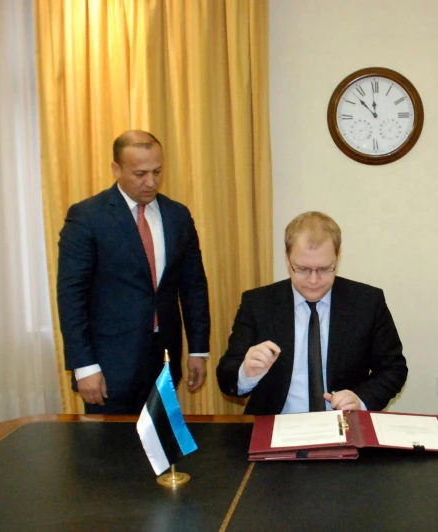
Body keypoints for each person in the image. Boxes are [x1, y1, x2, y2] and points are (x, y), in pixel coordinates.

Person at [57, 130, 210, 414]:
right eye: (140, 174)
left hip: (164, 361)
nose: (150, 182)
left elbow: (193, 287)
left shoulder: (177, 215)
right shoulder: (88, 217)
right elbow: (71, 297)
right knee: (111, 455)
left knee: (161, 450)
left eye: (157, 171)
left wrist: (198, 350)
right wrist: (84, 366)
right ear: (116, 169)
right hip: (108, 368)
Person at [217, 211, 407, 415]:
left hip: (345, 426)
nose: (314, 280)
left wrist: (360, 400)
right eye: (303, 269)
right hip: (275, 425)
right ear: (288, 257)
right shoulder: (258, 303)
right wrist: (247, 373)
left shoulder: (368, 302)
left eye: (325, 269)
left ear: (338, 256)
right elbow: (227, 376)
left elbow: (393, 369)